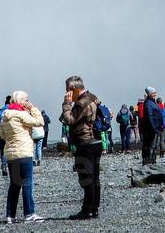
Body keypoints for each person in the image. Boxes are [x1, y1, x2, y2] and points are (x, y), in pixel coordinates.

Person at [0, 91, 46, 224]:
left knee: (14, 185)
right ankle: (29, 213)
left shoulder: (5, 115)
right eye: (26, 99)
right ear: (21, 101)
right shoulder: (21, 114)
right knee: (26, 183)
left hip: (11, 154)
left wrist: (11, 139)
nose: (28, 101)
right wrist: (32, 108)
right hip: (24, 153)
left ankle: (10, 215)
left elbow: (0, 132)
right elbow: (39, 121)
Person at [61, 74, 103, 220]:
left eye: (67, 89)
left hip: (85, 143)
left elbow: (70, 119)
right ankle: (94, 208)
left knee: (86, 178)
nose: (66, 93)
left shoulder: (82, 102)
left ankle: (88, 209)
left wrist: (66, 105)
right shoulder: (93, 97)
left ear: (73, 88)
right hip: (96, 142)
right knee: (95, 177)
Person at [139, 88, 163, 165]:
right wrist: (154, 128)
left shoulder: (152, 102)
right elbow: (149, 117)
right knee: (150, 146)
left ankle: (153, 161)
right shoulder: (148, 103)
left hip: (155, 127)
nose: (155, 94)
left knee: (153, 146)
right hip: (151, 129)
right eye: (154, 93)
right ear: (150, 94)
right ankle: (148, 162)